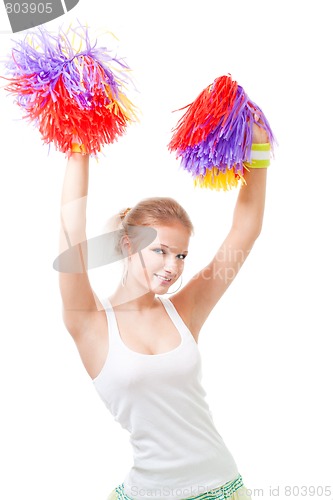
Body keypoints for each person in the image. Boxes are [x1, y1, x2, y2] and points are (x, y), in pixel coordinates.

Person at [58, 122, 268, 500]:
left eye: (181, 255)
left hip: (222, 488)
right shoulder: (89, 322)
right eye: (160, 251)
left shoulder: (184, 310)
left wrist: (259, 152)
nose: (173, 266)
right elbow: (71, 229)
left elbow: (244, 231)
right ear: (126, 244)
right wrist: (79, 142)